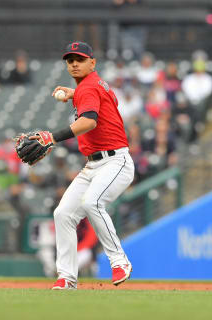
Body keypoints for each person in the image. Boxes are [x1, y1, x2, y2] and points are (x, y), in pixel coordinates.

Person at [28, 41, 134, 289]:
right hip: (94, 164)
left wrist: (52, 137)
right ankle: (67, 277)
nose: (74, 63)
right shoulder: (96, 84)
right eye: (70, 60)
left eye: (80, 59)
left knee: (91, 202)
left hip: (115, 161)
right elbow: (111, 100)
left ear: (92, 62)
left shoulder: (88, 87)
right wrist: (76, 93)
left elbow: (89, 122)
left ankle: (120, 261)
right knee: (62, 214)